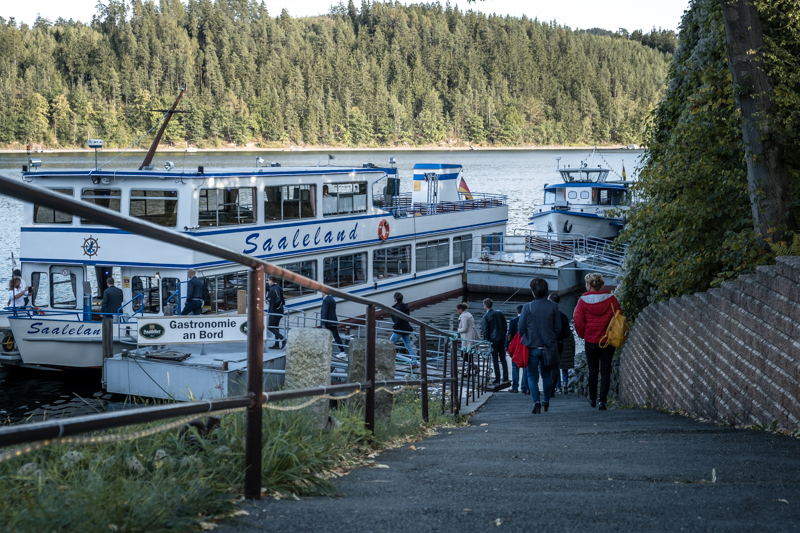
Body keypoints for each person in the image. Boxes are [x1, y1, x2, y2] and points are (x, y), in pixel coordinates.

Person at [574, 273, 619, 411]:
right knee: (605, 370)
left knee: (593, 370)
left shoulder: (582, 300)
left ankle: (592, 398)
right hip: (608, 340)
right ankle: (602, 401)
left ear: (589, 285)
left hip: (591, 341)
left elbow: (578, 321)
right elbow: (619, 317)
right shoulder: (611, 299)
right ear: (600, 284)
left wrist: (583, 335)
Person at [517, 278, 561, 414]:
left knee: (531, 375)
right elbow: (558, 327)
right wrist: (550, 338)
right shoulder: (553, 306)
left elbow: (521, 328)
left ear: (533, 292)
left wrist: (528, 337)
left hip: (531, 347)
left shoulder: (527, 307)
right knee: (546, 375)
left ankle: (536, 402)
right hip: (548, 347)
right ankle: (546, 400)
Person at [548, 292, 575, 396]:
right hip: (562, 343)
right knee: (564, 368)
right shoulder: (563, 316)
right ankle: (565, 384)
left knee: (555, 366)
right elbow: (568, 332)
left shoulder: (549, 315)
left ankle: (557, 387)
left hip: (553, 344)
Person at [481, 298, 508, 384]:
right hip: (502, 338)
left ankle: (497, 378)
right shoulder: (500, 313)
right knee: (503, 358)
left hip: (493, 340)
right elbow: (505, 325)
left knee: (495, 359)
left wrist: (486, 340)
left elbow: (485, 330)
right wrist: (504, 335)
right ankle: (506, 377)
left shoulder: (485, 316)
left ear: (485, 306)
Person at [506, 305, 529, 394]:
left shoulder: (513, 321)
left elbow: (509, 335)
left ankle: (515, 387)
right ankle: (524, 387)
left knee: (515, 367)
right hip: (525, 347)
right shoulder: (528, 321)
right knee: (525, 367)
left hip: (515, 347)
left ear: (517, 312)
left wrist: (506, 346)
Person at [389, 292, 416, 359]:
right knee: (408, 346)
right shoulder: (406, 307)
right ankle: (414, 362)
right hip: (405, 329)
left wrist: (395, 327)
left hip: (399, 330)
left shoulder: (397, 308)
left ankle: (389, 360)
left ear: (395, 299)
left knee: (389, 344)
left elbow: (398, 319)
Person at [267, 275, 286, 349]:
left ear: (271, 281)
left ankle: (282, 338)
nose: (268, 282)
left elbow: (274, 300)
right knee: (276, 327)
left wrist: (268, 298)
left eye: (268, 281)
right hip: (280, 311)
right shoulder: (279, 288)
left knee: (270, 327)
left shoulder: (272, 289)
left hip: (274, 311)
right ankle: (277, 344)